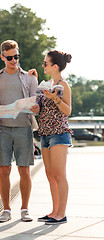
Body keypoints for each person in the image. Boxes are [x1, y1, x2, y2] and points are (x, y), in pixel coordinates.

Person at [0, 40, 39, 222]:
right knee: (4, 170)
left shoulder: (29, 78)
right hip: (2, 129)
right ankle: (6, 209)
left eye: (16, 56)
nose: (14, 60)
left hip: (24, 128)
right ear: (2, 57)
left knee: (24, 170)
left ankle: (25, 209)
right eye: (10, 57)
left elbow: (37, 102)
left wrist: (36, 107)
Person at [36, 50, 73, 225]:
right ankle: (54, 211)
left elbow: (67, 111)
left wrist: (56, 99)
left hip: (59, 133)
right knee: (50, 175)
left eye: (45, 63)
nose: (43, 65)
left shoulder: (63, 85)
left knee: (59, 175)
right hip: (45, 133)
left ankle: (62, 214)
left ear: (55, 66)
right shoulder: (47, 83)